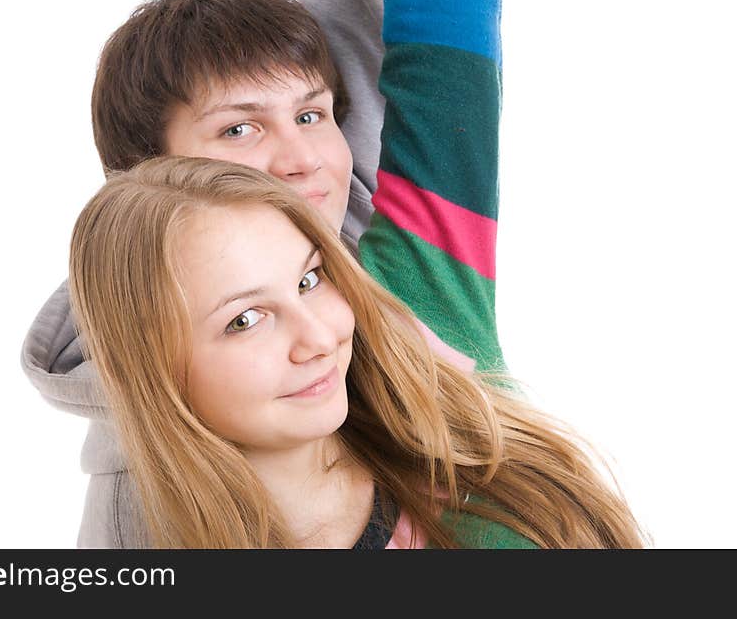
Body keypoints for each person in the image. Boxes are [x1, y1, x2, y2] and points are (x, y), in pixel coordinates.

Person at [22, 0, 590, 546]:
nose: (303, 159)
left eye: (311, 115)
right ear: (150, 178)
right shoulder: (147, 513)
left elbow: (439, 54)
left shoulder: (417, 272)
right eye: (239, 130)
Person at [68, 154, 644, 548]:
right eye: (245, 320)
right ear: (148, 368)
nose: (318, 339)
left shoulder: (473, 461)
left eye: (310, 280)